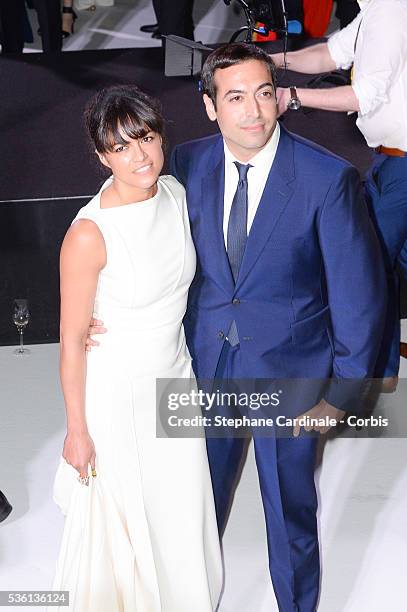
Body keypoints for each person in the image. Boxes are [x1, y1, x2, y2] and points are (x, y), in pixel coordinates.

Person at [88, 44, 386, 611]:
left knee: (289, 511)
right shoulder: (184, 165)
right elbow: (136, 231)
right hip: (202, 369)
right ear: (209, 107)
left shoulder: (329, 179)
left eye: (265, 93)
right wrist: (100, 306)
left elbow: (358, 295)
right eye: (235, 97)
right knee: (194, 506)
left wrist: (342, 395)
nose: (254, 111)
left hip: (291, 377)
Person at [48, 85, 222, 612]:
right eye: (121, 146)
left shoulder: (173, 193)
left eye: (145, 137)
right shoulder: (89, 234)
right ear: (102, 156)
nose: (139, 155)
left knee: (177, 501)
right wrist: (77, 430)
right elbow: (72, 341)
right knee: (130, 513)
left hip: (174, 376)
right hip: (118, 392)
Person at [272, 0, 407, 389]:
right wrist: (272, 60)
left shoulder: (391, 13)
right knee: (380, 261)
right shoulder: (375, 12)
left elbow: (364, 95)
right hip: (390, 160)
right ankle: (382, 370)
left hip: (402, 166)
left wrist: (289, 97)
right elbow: (328, 54)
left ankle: (372, 373)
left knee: (368, 264)